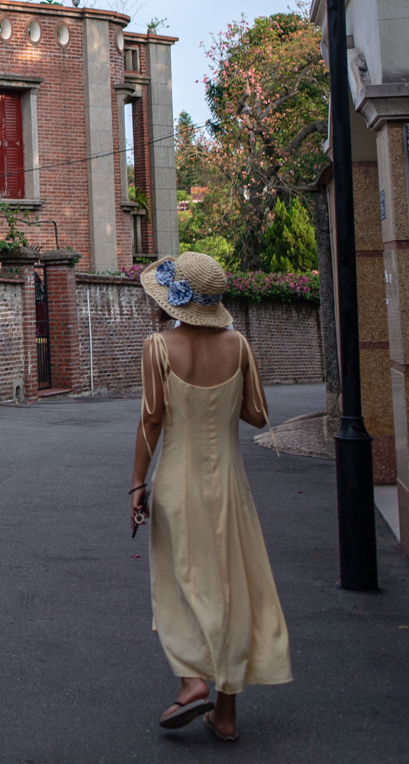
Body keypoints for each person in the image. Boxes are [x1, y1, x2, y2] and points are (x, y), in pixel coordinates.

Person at [128, 251, 291, 743]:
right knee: (229, 587)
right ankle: (226, 714)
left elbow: (152, 421)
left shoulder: (158, 347)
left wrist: (137, 484)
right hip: (230, 486)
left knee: (180, 582)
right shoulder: (239, 346)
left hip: (178, 481)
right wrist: (220, 393)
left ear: (174, 300)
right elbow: (258, 414)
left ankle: (191, 680)